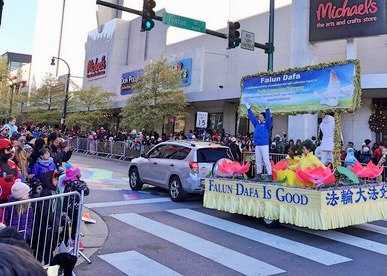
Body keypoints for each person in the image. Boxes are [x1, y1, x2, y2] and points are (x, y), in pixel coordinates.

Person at [62, 163, 90, 250]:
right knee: (75, 224)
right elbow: (86, 191)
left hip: (67, 206)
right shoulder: (75, 183)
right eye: (79, 172)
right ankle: (73, 240)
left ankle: (69, 239)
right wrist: (82, 183)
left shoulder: (68, 181)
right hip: (74, 207)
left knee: (69, 224)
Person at [245, 102, 272, 181]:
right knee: (258, 161)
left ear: (264, 118)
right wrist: (248, 109)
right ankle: (258, 175)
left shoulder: (267, 125)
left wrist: (267, 110)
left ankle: (269, 175)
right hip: (257, 145)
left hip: (264, 145)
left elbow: (269, 119)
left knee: (266, 160)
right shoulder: (257, 124)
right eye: (259, 117)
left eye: (260, 117)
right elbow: (252, 118)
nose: (259, 118)